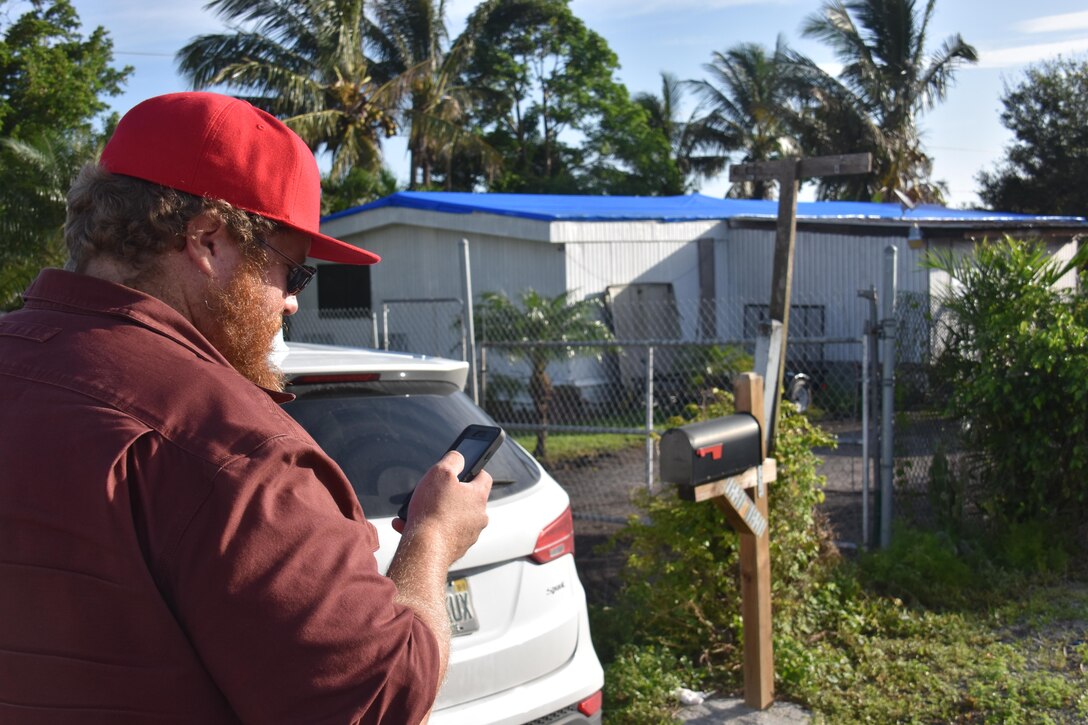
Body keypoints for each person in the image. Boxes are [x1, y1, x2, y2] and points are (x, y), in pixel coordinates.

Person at [0, 92, 492, 723]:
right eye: (293, 272)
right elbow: (377, 700)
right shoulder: (229, 447)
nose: (291, 303)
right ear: (208, 239)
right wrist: (432, 538)